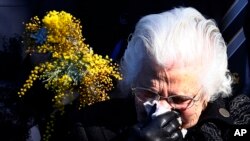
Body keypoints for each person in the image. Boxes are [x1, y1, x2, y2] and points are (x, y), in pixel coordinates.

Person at [49, 7, 250, 141]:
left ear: (208, 92)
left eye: (179, 98)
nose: (160, 108)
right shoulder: (89, 126)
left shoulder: (240, 120)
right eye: (147, 93)